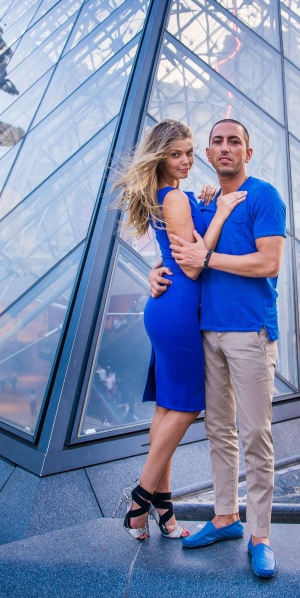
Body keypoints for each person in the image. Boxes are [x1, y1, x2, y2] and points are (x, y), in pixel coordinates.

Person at [153, 118, 286, 578]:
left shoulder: (264, 196)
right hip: (207, 330)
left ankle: (261, 536)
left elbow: (269, 262)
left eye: (234, 141)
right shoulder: (205, 201)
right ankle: (226, 517)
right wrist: (156, 272)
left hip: (250, 331)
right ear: (209, 154)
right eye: (217, 142)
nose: (224, 148)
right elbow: (180, 253)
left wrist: (209, 259)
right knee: (219, 431)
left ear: (248, 152)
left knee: (255, 435)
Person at [113, 119, 246, 541]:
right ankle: (139, 502)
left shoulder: (168, 194)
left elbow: (174, 251)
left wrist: (203, 204)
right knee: (187, 407)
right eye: (176, 154)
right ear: (160, 157)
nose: (186, 160)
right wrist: (220, 212)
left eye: (189, 152)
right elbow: (192, 264)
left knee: (167, 408)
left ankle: (164, 511)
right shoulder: (173, 197)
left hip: (167, 306)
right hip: (181, 308)